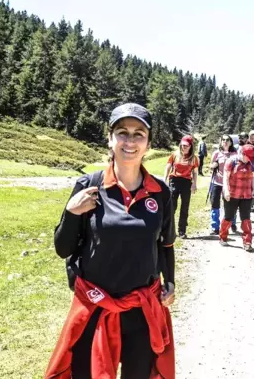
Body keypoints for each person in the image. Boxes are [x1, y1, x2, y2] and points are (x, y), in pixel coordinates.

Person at [46, 103, 176, 379]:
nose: (130, 141)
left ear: (149, 142)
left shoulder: (161, 192)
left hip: (141, 308)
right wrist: (71, 213)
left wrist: (171, 281)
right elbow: (63, 249)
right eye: (122, 132)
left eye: (138, 133)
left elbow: (164, 244)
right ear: (110, 138)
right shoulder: (89, 186)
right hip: (95, 305)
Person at [220, 144, 254, 252]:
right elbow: (225, 177)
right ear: (242, 153)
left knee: (246, 218)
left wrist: (253, 190)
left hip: (246, 195)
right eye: (247, 157)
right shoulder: (231, 161)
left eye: (250, 158)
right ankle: (223, 236)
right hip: (232, 194)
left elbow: (253, 178)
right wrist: (226, 190)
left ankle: (247, 242)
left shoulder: (251, 163)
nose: (248, 160)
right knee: (229, 217)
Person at [164, 135, 199, 239]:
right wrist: (164, 179)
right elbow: (168, 167)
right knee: (172, 207)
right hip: (174, 181)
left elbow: (195, 172)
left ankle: (182, 231)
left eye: (186, 146)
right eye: (182, 145)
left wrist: (194, 184)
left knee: (184, 207)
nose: (184, 147)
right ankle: (169, 230)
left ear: (191, 146)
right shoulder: (174, 155)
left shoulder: (194, 158)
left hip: (186, 182)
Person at [208, 135, 238, 234]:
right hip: (217, 182)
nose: (225, 142)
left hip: (230, 183)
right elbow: (210, 166)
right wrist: (214, 165)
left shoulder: (235, 154)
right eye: (223, 140)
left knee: (230, 205)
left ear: (231, 142)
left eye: (227, 140)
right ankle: (215, 226)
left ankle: (232, 223)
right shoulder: (216, 153)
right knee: (215, 204)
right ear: (220, 142)